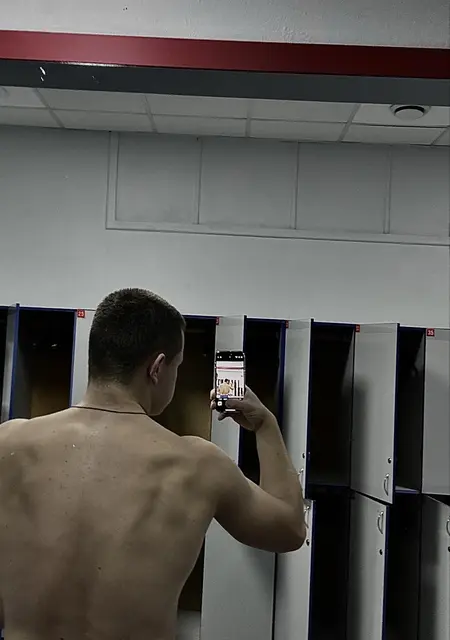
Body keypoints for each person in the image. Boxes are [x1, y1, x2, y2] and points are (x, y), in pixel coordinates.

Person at [0, 288, 306, 640]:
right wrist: (265, 425)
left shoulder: (9, 442)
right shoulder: (198, 464)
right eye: (178, 366)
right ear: (157, 368)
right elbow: (289, 530)